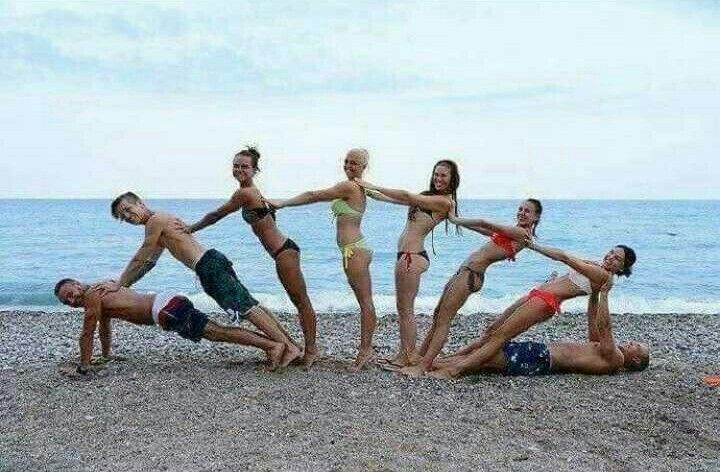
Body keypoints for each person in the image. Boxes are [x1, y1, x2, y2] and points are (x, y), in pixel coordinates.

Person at [104, 191, 300, 366]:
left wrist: (119, 283)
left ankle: (287, 347)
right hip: (210, 263)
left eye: (128, 210)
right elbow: (148, 263)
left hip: (209, 266)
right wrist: (123, 286)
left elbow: (141, 255)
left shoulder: (156, 220)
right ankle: (291, 346)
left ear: (140, 203)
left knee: (246, 308)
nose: (127, 217)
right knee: (250, 304)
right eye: (123, 217)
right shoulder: (158, 223)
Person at [176, 147, 318, 367]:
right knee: (299, 301)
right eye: (236, 166)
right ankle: (294, 347)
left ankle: (310, 351)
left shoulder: (245, 193)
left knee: (301, 302)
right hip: (282, 251)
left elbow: (216, 215)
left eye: (245, 166)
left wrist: (191, 228)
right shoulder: (252, 191)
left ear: (254, 170)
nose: (239, 170)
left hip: (284, 253)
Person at [426, 241, 637, 379]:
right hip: (537, 294)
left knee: (499, 337)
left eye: (617, 259)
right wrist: (554, 281)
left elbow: (565, 257)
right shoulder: (598, 270)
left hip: (545, 301)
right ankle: (440, 361)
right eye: (611, 252)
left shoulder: (603, 276)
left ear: (622, 268)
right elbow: (590, 304)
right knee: (491, 331)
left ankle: (454, 370)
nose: (611, 257)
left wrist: (532, 246)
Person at [398, 199, 542, 377]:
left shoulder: (520, 233)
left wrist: (454, 218)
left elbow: (484, 222)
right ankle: (420, 359)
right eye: (520, 209)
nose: (521, 213)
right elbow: (482, 229)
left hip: (470, 275)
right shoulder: (514, 232)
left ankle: (423, 367)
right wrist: (458, 220)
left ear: (536, 217)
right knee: (438, 315)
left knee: (444, 320)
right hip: (465, 272)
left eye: (527, 211)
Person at [267, 149, 376, 370]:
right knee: (365, 301)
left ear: (364, 167)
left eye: (354, 163)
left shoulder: (350, 187)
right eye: (346, 161)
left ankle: (365, 351)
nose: (348, 166)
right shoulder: (360, 187)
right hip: (353, 249)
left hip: (354, 251)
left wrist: (283, 203)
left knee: (365, 302)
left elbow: (313, 195)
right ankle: (365, 349)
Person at [54, 278, 288, 374]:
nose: (72, 301)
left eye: (70, 294)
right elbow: (103, 327)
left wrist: (84, 366)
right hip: (166, 303)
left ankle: (272, 346)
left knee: (217, 333)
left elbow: (87, 333)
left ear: (77, 283)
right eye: (66, 302)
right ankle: (272, 345)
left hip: (165, 309)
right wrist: (106, 355)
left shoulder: (92, 295)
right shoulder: (99, 292)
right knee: (217, 331)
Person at [429, 278, 649, 378]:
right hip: (540, 354)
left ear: (636, 360)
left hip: (540, 359)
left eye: (635, 346)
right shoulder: (604, 353)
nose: (630, 343)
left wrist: (606, 294)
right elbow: (594, 323)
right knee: (483, 353)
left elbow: (605, 327)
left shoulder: (616, 359)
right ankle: (431, 364)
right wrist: (595, 293)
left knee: (485, 357)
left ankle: (433, 368)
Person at [354, 160, 460, 367]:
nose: (438, 179)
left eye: (443, 176)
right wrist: (368, 192)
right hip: (407, 255)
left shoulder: (444, 202)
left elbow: (405, 195)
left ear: (452, 179)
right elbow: (397, 199)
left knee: (406, 309)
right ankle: (404, 353)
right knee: (402, 308)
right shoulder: (428, 197)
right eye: (436, 174)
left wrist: (373, 185)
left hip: (412, 256)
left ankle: (408, 356)